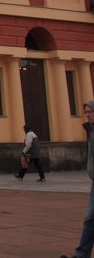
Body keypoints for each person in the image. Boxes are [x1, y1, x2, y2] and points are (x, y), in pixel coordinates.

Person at [61, 100, 94, 258]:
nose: (87, 115)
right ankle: (82, 254)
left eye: (90, 111)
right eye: (86, 112)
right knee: (90, 218)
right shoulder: (91, 129)